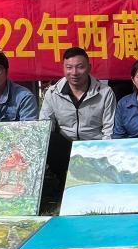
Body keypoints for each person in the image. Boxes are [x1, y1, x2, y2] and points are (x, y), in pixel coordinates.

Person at [39, 47, 116, 177]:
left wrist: (105, 152)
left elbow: (109, 128)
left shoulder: (105, 93)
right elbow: (44, 125)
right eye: (69, 67)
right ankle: (58, 178)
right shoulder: (53, 93)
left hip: (94, 146)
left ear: (89, 68)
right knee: (49, 138)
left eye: (80, 67)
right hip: (65, 146)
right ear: (63, 68)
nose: (74, 73)